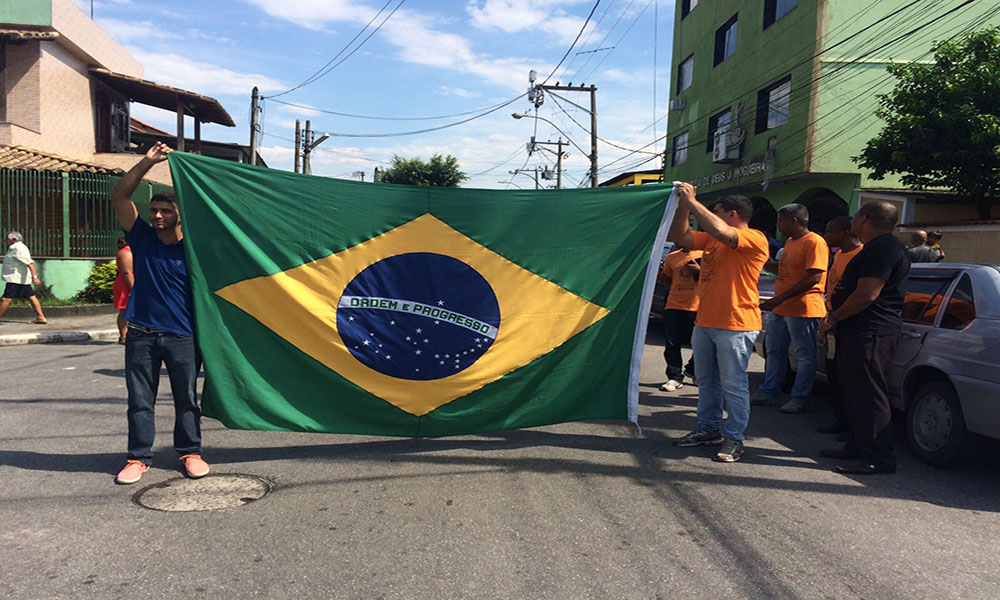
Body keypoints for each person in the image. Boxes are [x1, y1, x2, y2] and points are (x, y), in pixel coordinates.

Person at [110, 142, 209, 485]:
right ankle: (138, 458)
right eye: (153, 210)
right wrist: (147, 162)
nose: (157, 216)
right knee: (140, 401)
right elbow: (120, 197)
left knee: (187, 400)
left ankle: (191, 453)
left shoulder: (193, 247)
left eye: (165, 211)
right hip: (141, 334)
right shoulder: (142, 238)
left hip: (183, 335)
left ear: (179, 214)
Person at [669, 184, 769, 463]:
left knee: (733, 384)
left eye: (717, 211)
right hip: (706, 321)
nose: (712, 215)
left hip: (736, 323)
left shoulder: (754, 237)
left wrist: (693, 201)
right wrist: (684, 206)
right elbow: (679, 236)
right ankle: (709, 429)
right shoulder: (712, 240)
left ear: (732, 214)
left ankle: (734, 438)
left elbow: (723, 232)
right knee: (707, 382)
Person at [819, 200, 909, 475]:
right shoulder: (874, 247)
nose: (853, 220)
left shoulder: (883, 248)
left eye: (856, 215)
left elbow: (866, 294)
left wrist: (833, 318)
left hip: (871, 330)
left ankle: (877, 457)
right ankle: (858, 446)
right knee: (854, 392)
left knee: (869, 394)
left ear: (863, 219)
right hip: (858, 329)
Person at [753, 204, 828, 413]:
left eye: (780, 221)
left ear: (794, 221)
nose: (778, 225)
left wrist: (780, 298)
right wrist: (762, 260)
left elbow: (814, 277)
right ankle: (770, 392)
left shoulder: (814, 242)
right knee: (775, 350)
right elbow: (783, 270)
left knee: (804, 355)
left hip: (803, 308)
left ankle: (799, 397)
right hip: (781, 307)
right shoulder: (790, 242)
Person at [815, 215, 863, 435]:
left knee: (850, 380)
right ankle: (840, 420)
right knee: (834, 375)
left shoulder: (860, 255)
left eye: (830, 231)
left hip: (848, 323)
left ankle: (853, 427)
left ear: (844, 232)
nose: (826, 235)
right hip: (831, 321)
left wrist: (836, 318)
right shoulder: (839, 255)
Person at [659, 247, 702, 392]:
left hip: (699, 306)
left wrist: (699, 271)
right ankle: (675, 377)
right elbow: (667, 279)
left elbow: (714, 279)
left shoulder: (706, 253)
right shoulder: (672, 256)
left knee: (700, 343)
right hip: (674, 304)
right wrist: (656, 273)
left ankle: (693, 370)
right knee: (672, 342)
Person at [0, 232, 47, 324]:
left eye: (8, 240)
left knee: (6, 299)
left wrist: (35, 277)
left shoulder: (19, 248)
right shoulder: (13, 248)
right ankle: (41, 317)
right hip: (20, 279)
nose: (6, 241)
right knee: (31, 297)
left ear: (14, 239)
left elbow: (29, 263)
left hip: (15, 278)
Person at [112, 236, 134, 344]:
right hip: (126, 284)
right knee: (124, 310)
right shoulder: (126, 253)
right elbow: (127, 273)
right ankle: (123, 336)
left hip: (130, 282)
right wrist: (133, 287)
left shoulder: (131, 251)